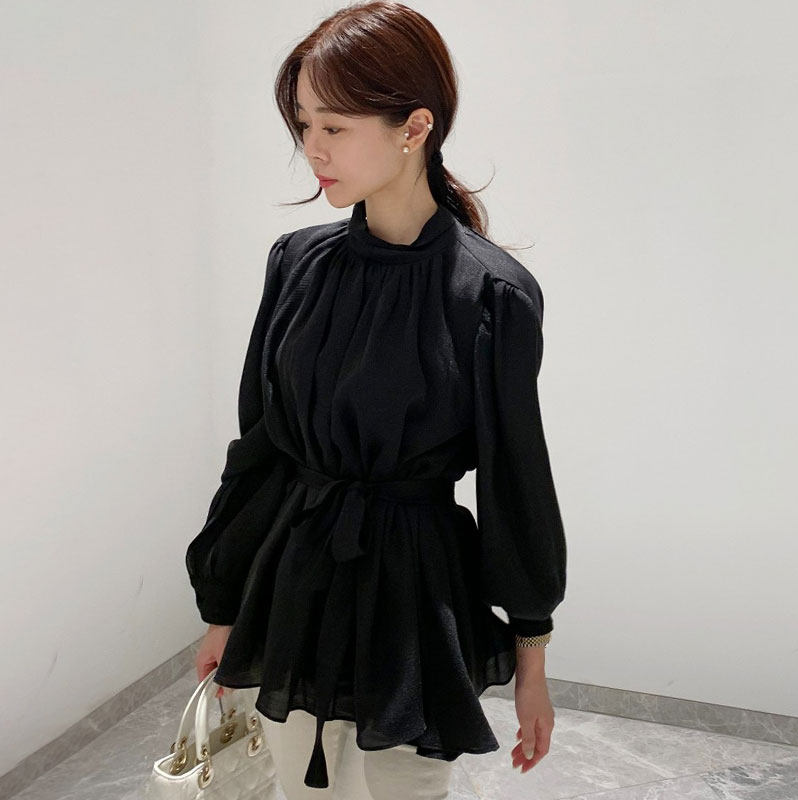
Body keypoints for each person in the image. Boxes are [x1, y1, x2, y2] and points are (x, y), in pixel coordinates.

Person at [186, 2, 567, 798]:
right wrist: (224, 606)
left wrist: (532, 662)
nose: (312, 149)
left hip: (416, 593)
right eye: (303, 125)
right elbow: (260, 450)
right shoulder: (296, 263)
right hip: (295, 578)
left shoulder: (491, 295)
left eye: (334, 126)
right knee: (299, 787)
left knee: (406, 789)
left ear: (414, 127)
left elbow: (515, 481)